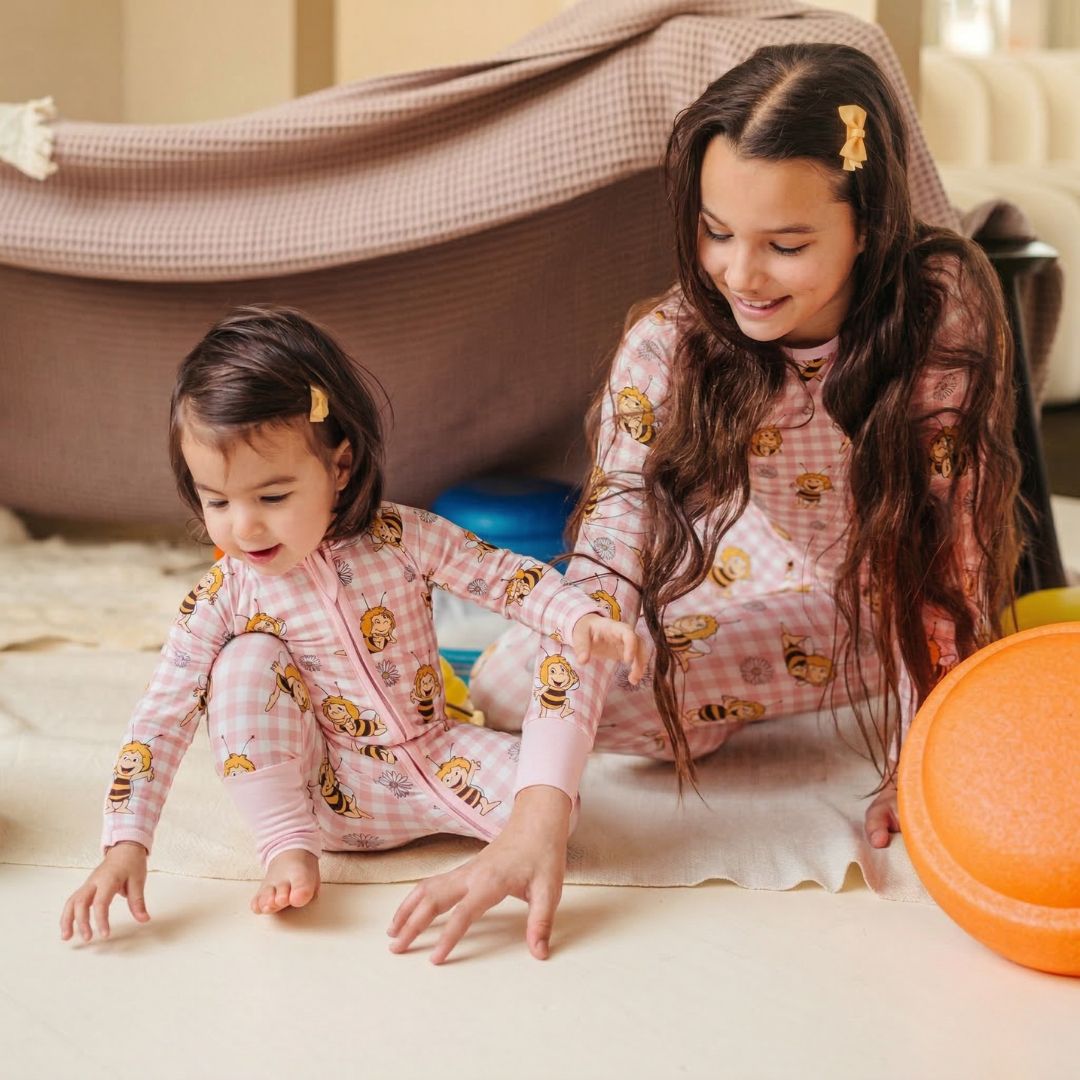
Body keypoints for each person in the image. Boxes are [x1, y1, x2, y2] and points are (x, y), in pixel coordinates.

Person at [471, 43, 1021, 851]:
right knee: (502, 685)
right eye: (716, 231)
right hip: (742, 555)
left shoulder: (938, 312)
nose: (740, 276)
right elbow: (606, 561)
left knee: (630, 689)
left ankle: (760, 685)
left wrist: (925, 756)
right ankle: (719, 698)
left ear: (868, 226)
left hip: (878, 600)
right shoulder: (671, 341)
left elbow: (953, 545)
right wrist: (537, 813)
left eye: (785, 246)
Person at [60, 306, 646, 962]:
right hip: (328, 799)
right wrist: (125, 845)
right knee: (243, 660)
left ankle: (488, 839)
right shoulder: (223, 597)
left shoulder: (399, 537)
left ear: (339, 467)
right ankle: (284, 846)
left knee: (560, 806)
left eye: (273, 497)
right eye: (217, 501)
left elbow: (501, 576)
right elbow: (159, 720)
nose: (244, 528)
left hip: (439, 753)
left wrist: (578, 617)